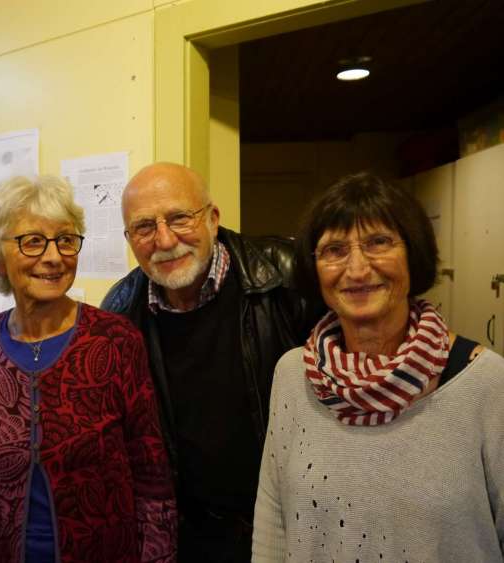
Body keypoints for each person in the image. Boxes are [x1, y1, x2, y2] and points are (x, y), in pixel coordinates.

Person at [252, 172, 504, 561]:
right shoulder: (293, 375)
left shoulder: (486, 384)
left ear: (413, 253)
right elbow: (273, 519)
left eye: (378, 243)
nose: (356, 269)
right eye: (334, 250)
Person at [101, 162, 319, 562]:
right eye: (144, 227)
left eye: (180, 218)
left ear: (213, 219)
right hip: (191, 539)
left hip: (292, 524)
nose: (164, 240)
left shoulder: (287, 276)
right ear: (130, 239)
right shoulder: (120, 311)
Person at [0, 175, 176, 563]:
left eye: (65, 239)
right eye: (32, 241)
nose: (54, 257)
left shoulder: (115, 340)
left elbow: (151, 472)